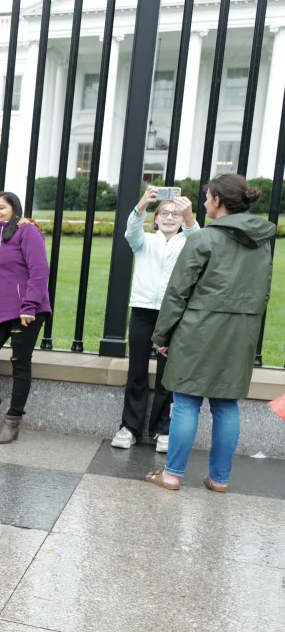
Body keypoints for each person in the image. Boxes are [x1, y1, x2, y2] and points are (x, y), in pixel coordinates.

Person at [148, 175, 273, 493]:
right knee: (226, 404)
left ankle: (172, 474)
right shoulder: (262, 241)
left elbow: (178, 292)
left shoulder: (203, 239)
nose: (204, 203)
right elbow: (263, 293)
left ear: (218, 201)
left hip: (198, 330)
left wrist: (162, 335)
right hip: (240, 332)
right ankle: (219, 478)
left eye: (207, 197)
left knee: (187, 402)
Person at [112, 188, 199, 452]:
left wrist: (191, 217)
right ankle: (129, 427)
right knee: (137, 370)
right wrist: (140, 206)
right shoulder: (145, 241)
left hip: (172, 313)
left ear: (182, 219)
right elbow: (131, 232)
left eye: (176, 213)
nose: (170, 217)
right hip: (142, 310)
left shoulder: (188, 241)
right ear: (156, 219)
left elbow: (200, 240)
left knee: (167, 374)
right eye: (164, 212)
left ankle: (163, 429)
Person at [0, 191, 51, 444]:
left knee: (20, 363)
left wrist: (29, 305)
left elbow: (39, 270)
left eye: (1, 207)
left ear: (14, 210)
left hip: (26, 312)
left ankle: (12, 420)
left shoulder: (26, 232)